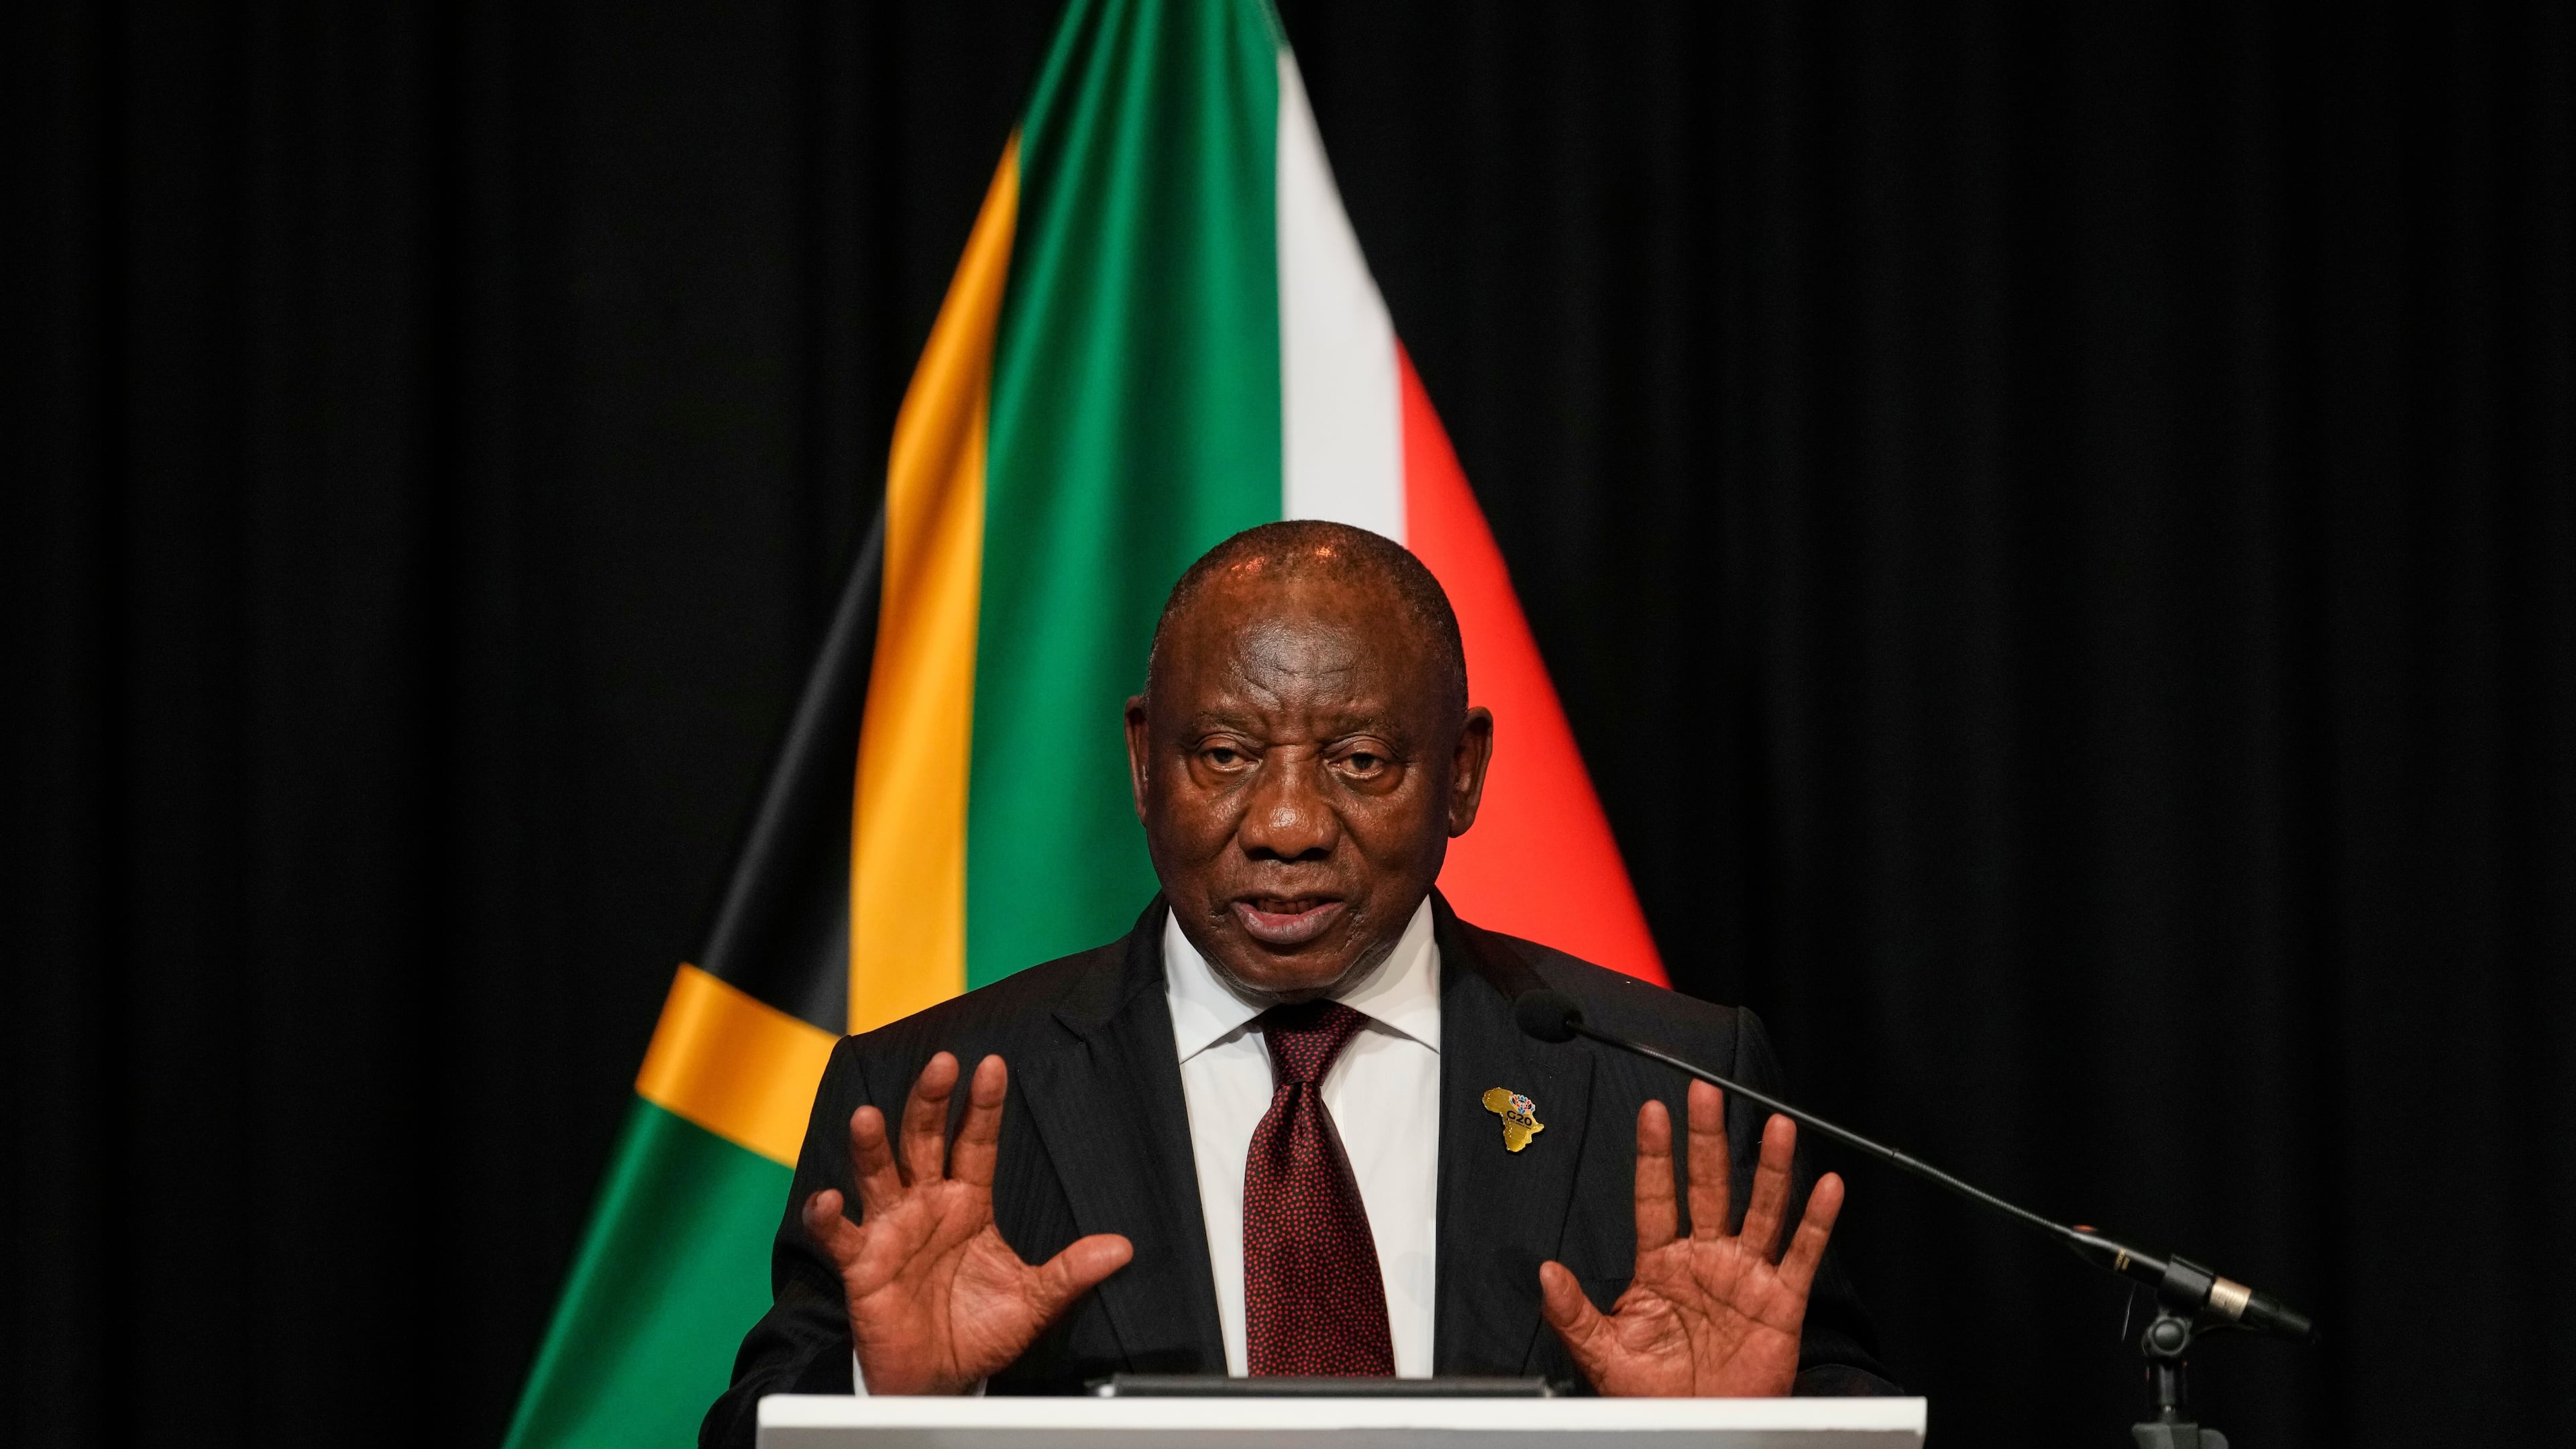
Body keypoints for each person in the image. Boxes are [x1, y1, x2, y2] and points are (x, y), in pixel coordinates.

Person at [703, 521, 1891, 1445]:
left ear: (1462, 773)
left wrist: (1742, 1441)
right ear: (1143, 761)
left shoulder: (1667, 1086)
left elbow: (1845, 1410)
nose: (1285, 824)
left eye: (1360, 761)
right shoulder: (930, 1098)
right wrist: (899, 1406)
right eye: (1225, 755)